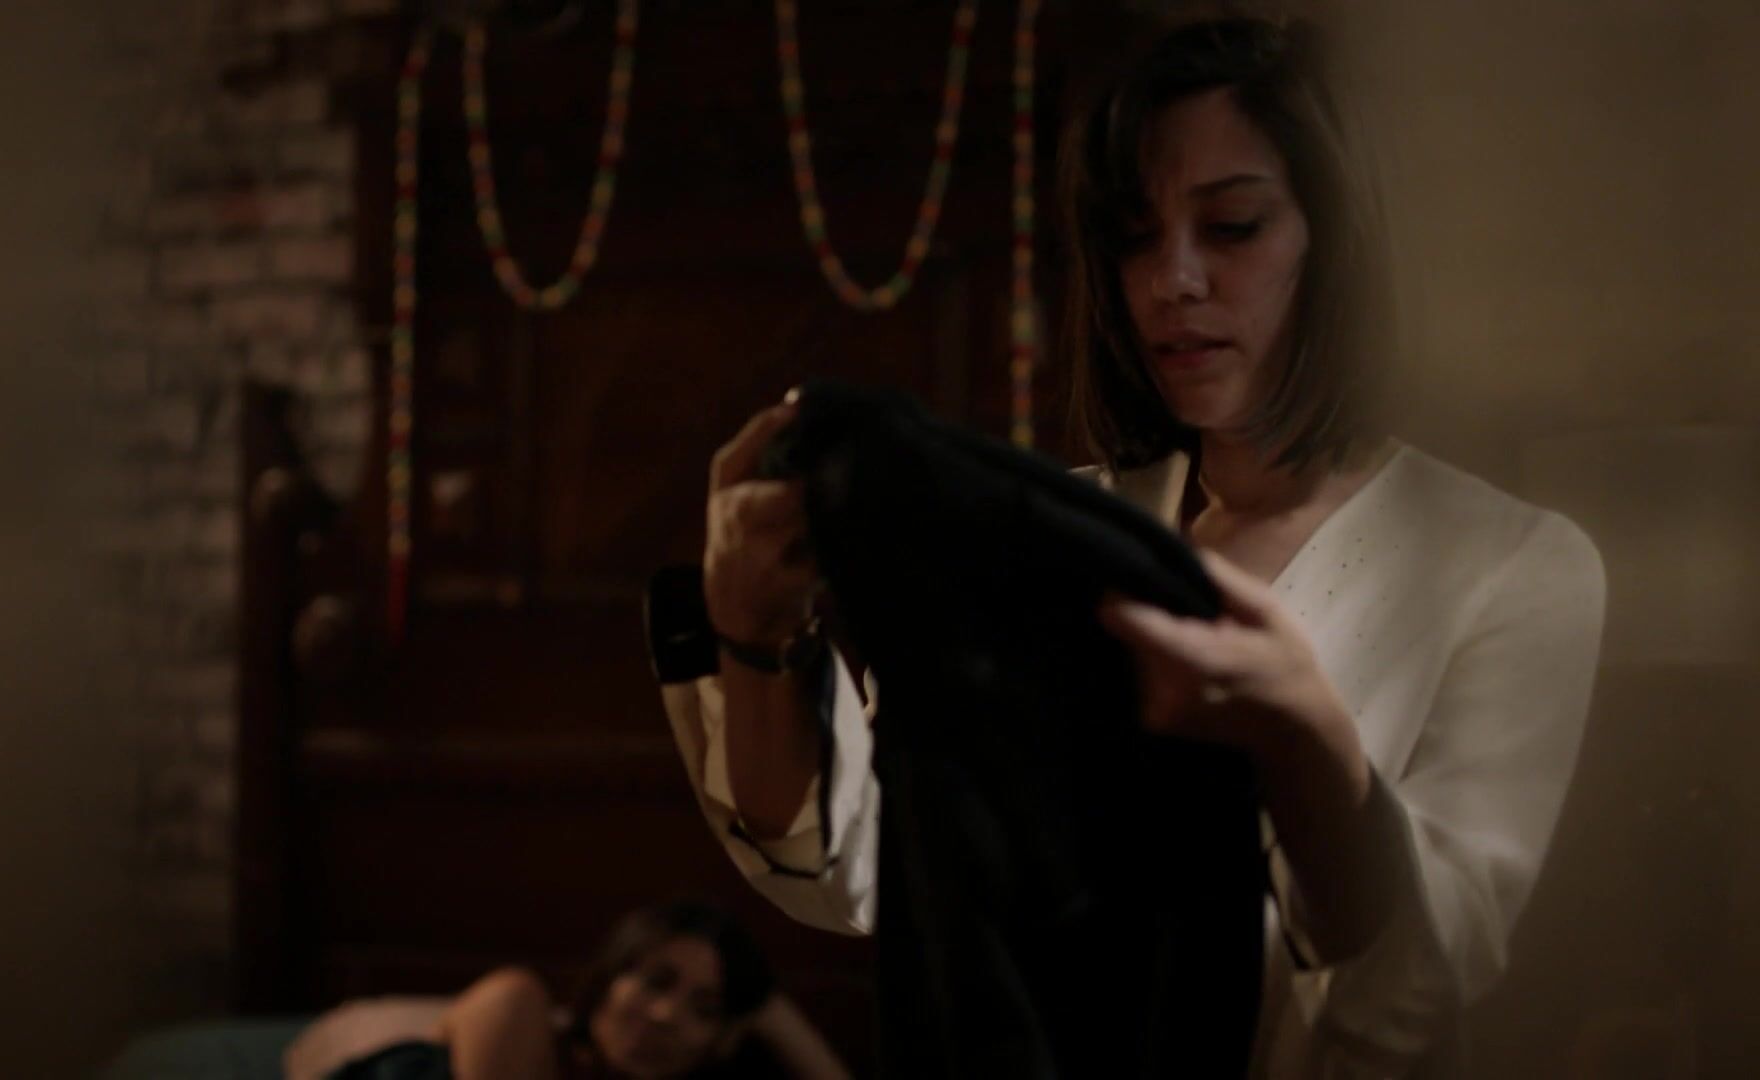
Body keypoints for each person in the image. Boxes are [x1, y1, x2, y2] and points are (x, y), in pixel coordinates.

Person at [661, 15, 1606, 1078]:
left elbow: (1423, 985)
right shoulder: (1052, 531)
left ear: (1342, 239)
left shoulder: (1513, 565)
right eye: (1133, 236)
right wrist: (755, 639)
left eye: (1233, 226)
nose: (1172, 280)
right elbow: (872, 867)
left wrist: (1307, 745)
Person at [283, 900, 851, 1080]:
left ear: (720, 1041)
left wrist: (775, 1016)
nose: (665, 1015)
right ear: (610, 979)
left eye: (704, 1009)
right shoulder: (519, 1006)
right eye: (655, 981)